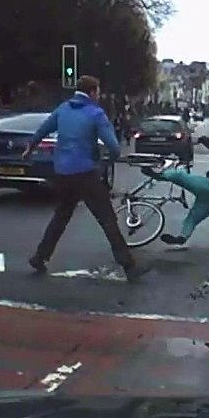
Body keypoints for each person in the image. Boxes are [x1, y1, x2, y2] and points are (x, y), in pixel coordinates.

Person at [21, 75, 151, 281]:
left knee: (61, 216)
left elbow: (43, 129)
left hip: (62, 173)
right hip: (85, 173)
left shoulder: (63, 108)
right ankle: (129, 266)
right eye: (97, 92)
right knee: (107, 219)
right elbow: (114, 148)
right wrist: (104, 165)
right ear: (92, 92)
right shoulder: (95, 113)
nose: (98, 96)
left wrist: (30, 148)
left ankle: (40, 257)